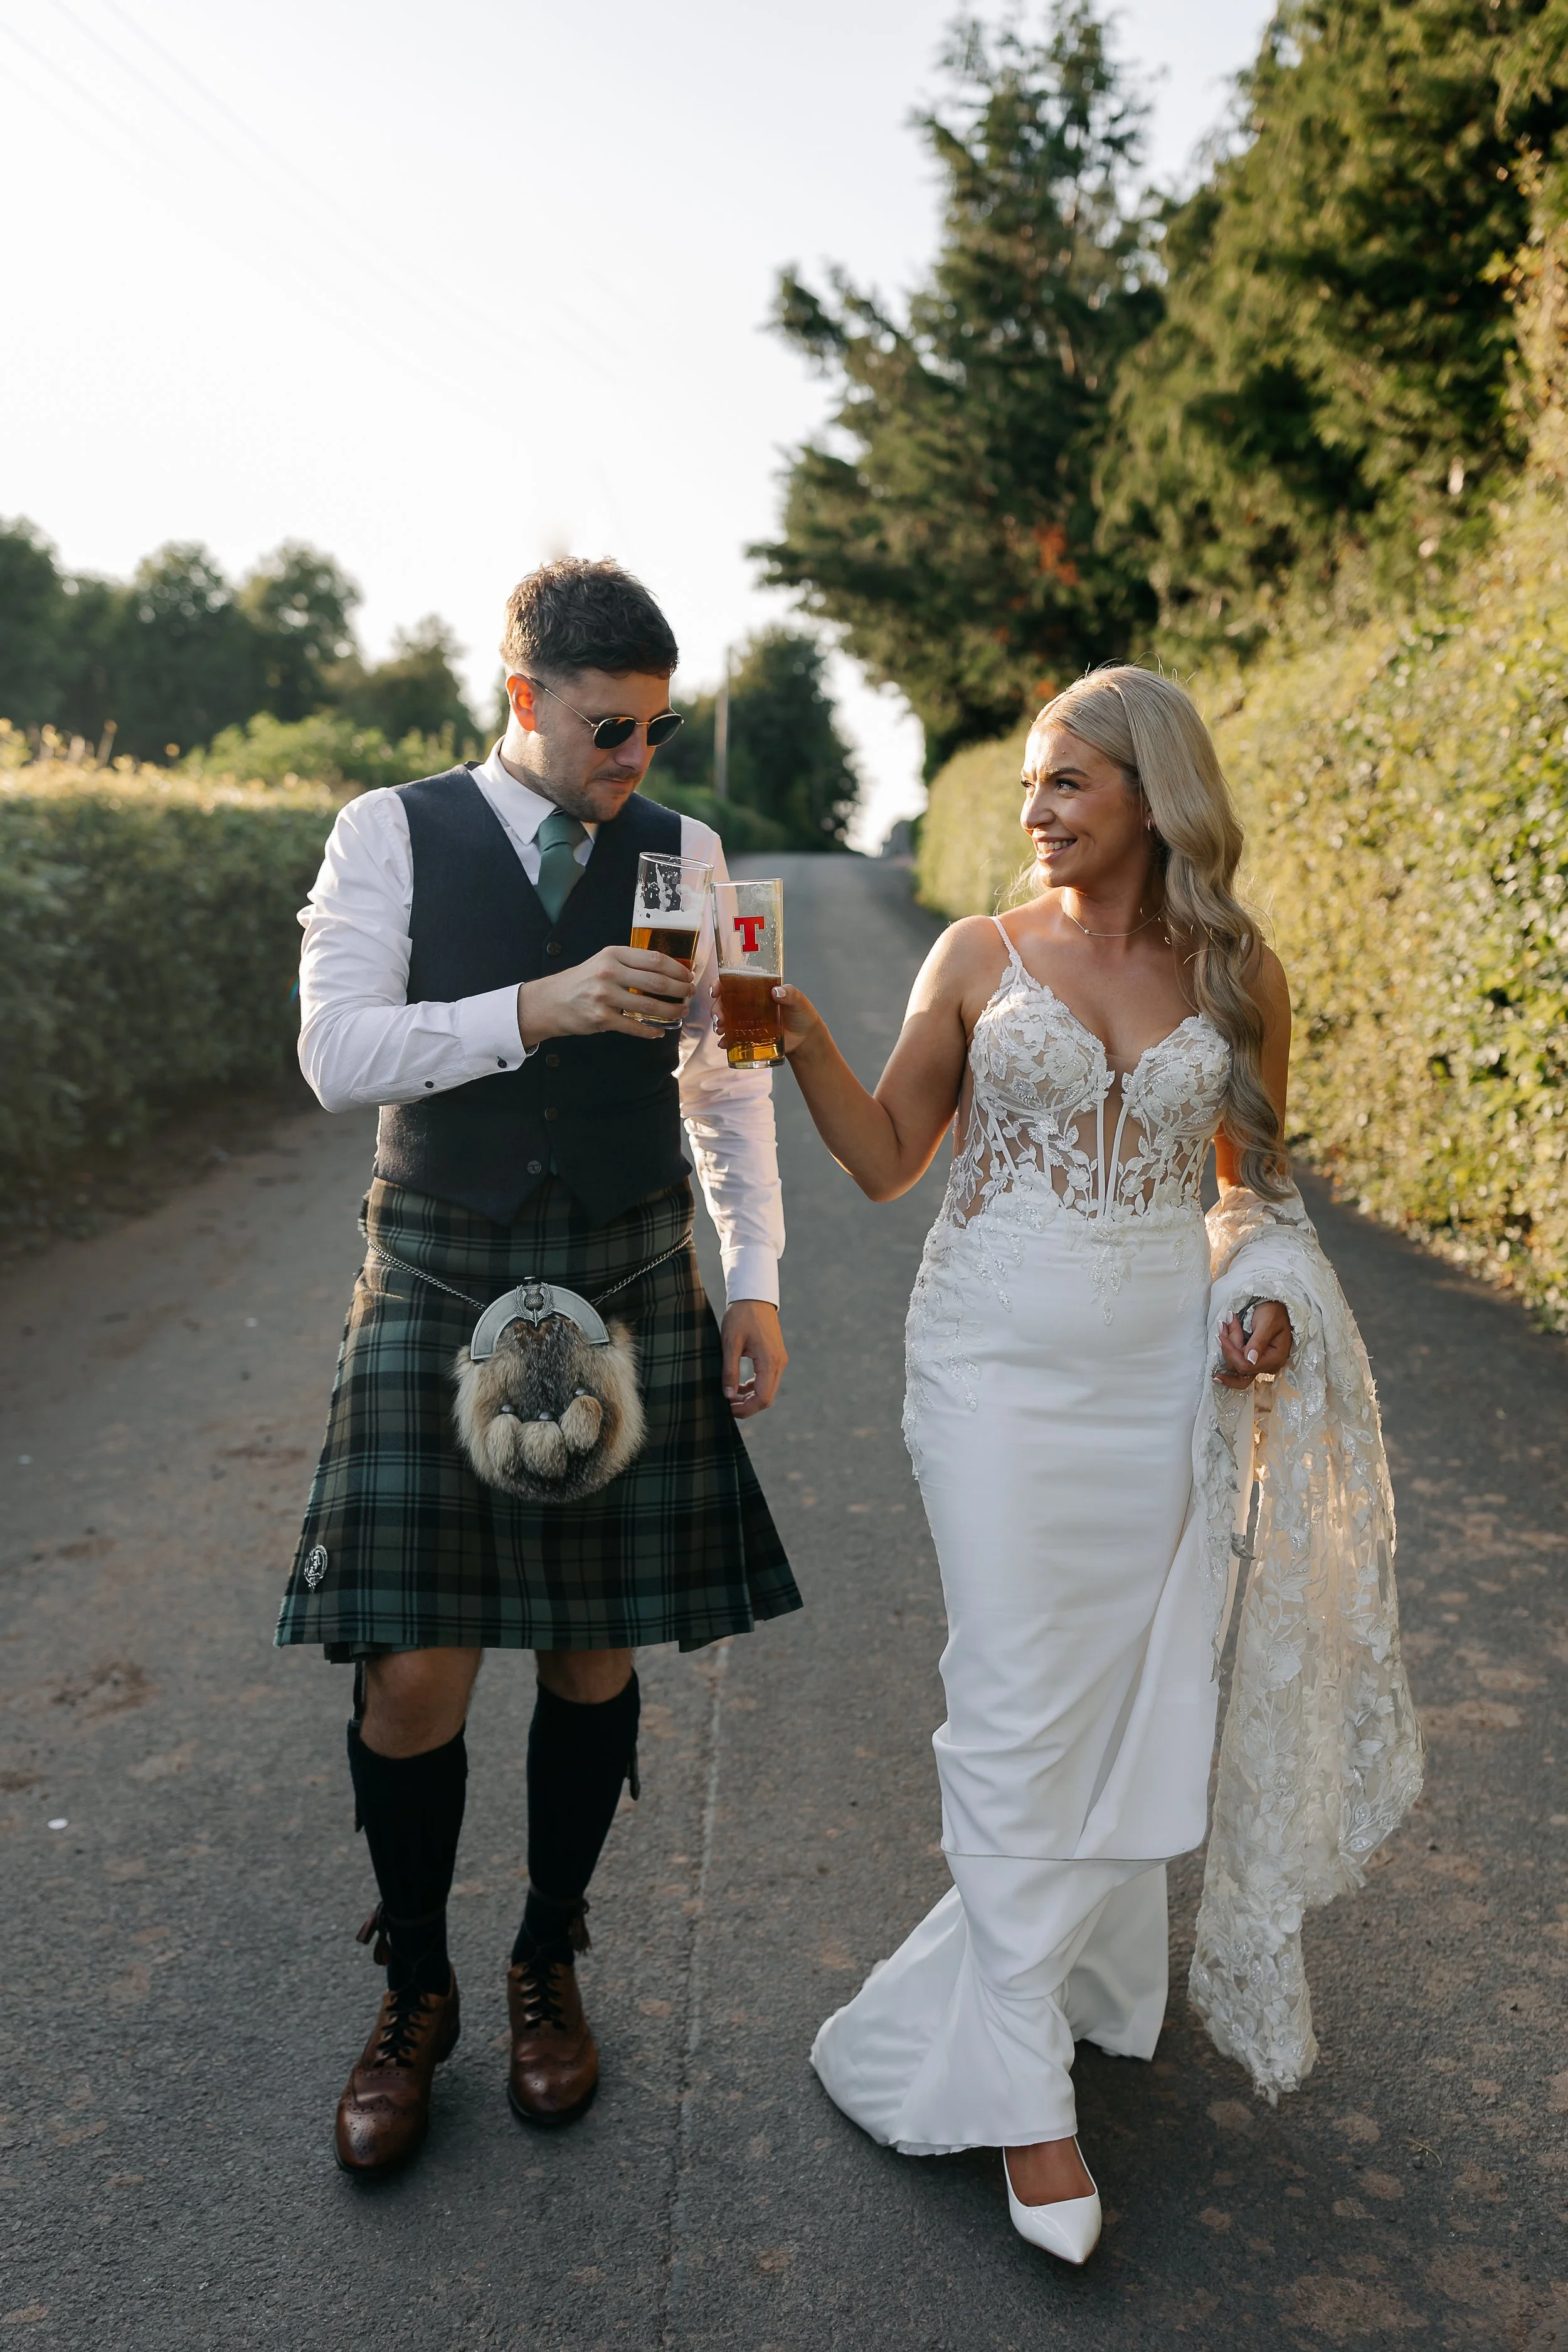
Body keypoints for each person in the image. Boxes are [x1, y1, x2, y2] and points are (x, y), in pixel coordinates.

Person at [771, 667, 1422, 2263]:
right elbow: (882, 1161)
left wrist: (1258, 1308)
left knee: (1124, 1686)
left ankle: (1066, 1962)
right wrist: (794, 1037)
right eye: (1029, 790)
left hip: (1150, 1382)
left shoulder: (1240, 973)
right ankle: (1027, 2101)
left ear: (1151, 792)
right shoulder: (977, 954)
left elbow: (1252, 1203)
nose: (1040, 809)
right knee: (1006, 1693)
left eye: (1066, 781)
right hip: (987, 1369)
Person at [275, 557, 800, 2174]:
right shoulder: (391, 830)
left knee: (588, 1648)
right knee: (415, 1665)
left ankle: (547, 1957)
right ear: (522, 699)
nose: (636, 759)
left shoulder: (693, 851)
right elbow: (332, 1051)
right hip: (437, 1262)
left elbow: (735, 1070)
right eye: (606, 729)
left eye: (653, 728)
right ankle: (415, 1983)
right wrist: (539, 1006)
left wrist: (756, 1277)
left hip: (633, 1264)